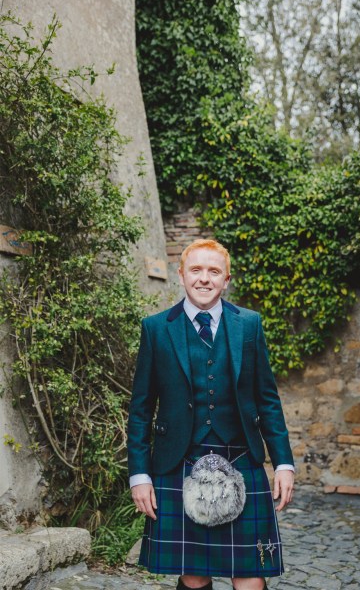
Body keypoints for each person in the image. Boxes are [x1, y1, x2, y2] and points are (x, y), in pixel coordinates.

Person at [127, 239, 294, 590]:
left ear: (226, 279)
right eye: (196, 270)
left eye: (214, 271)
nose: (205, 279)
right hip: (179, 462)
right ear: (182, 275)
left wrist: (283, 463)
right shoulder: (156, 328)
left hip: (242, 457)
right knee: (193, 573)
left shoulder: (249, 324)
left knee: (249, 575)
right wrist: (140, 474)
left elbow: (267, 399)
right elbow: (141, 408)